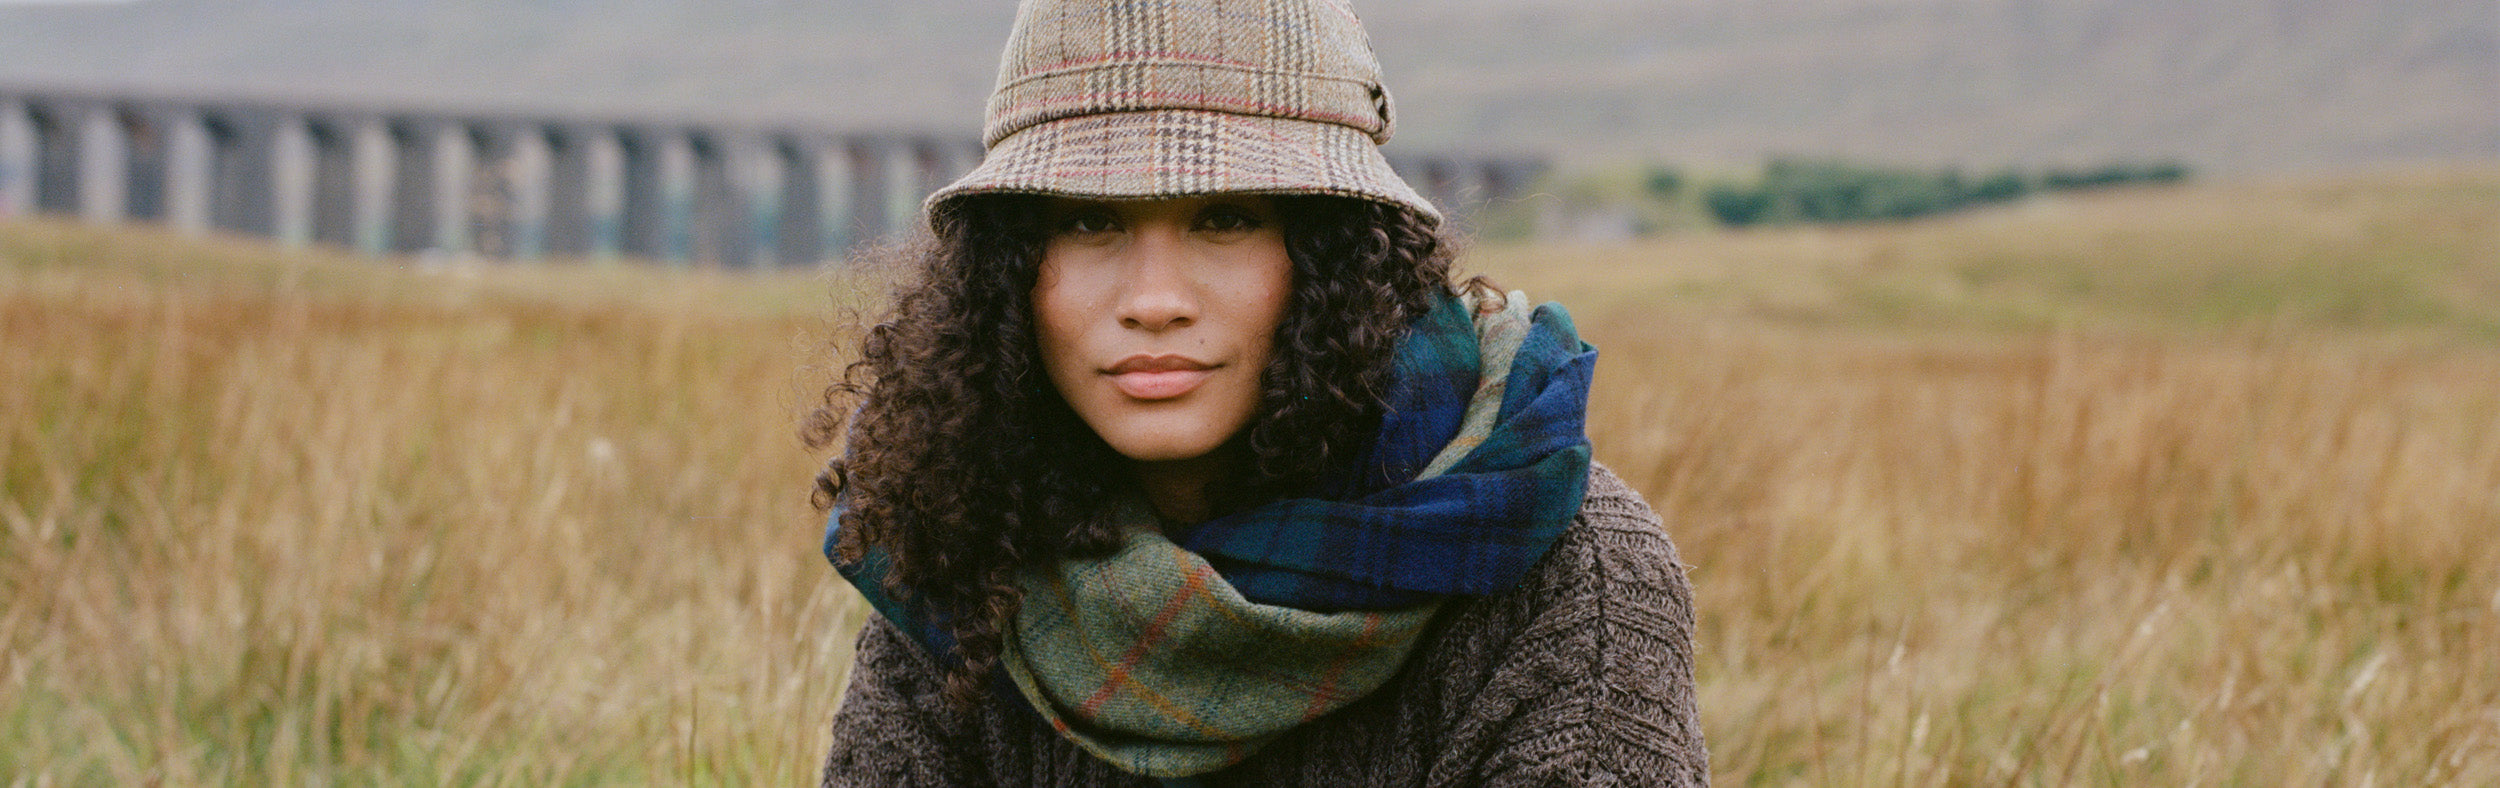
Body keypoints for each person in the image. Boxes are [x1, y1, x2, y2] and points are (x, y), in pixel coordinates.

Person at [806, 0, 1707, 784]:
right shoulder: (962, 538)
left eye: (1227, 218)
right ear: (1007, 273)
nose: (1153, 301)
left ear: (1333, 258)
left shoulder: (1569, 569)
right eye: (1087, 220)